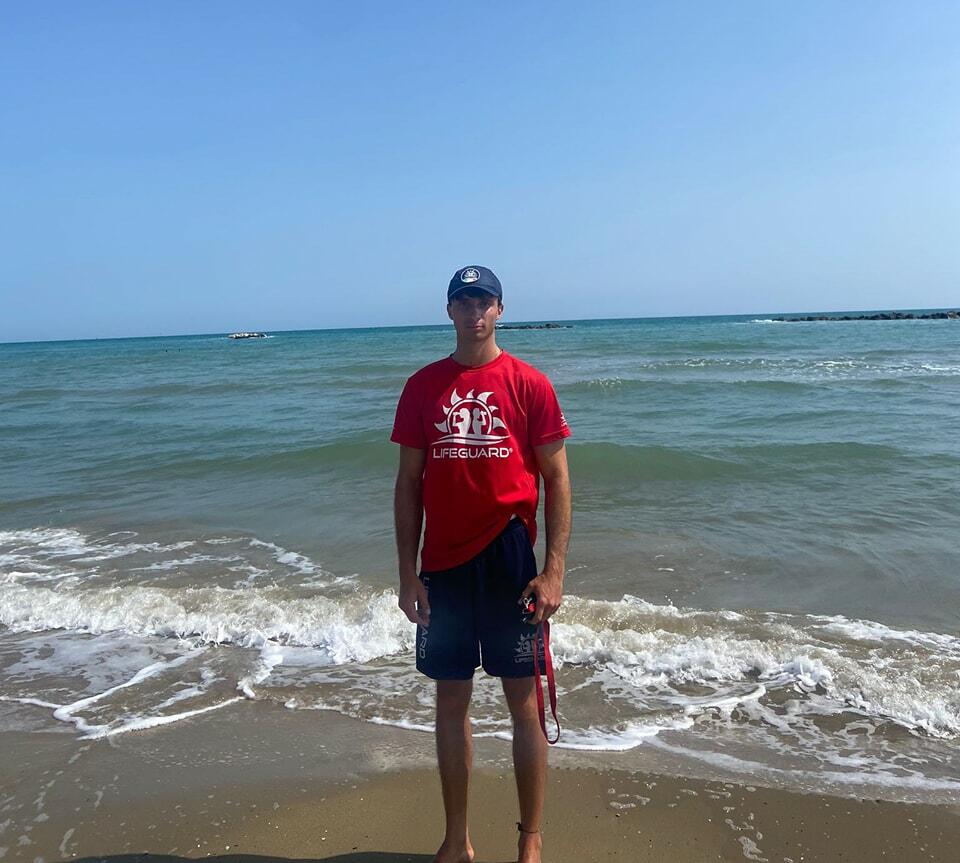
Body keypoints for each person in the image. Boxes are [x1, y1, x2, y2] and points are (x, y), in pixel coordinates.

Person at [391, 265, 572, 863]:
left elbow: (557, 478)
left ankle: (531, 838)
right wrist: (407, 573)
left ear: (500, 309)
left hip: (509, 559)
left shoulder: (529, 383)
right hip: (443, 565)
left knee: (524, 701)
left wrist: (553, 570)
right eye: (463, 302)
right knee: (451, 702)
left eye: (484, 301)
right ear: (449, 310)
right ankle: (456, 840)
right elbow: (408, 483)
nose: (474, 312)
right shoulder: (422, 387)